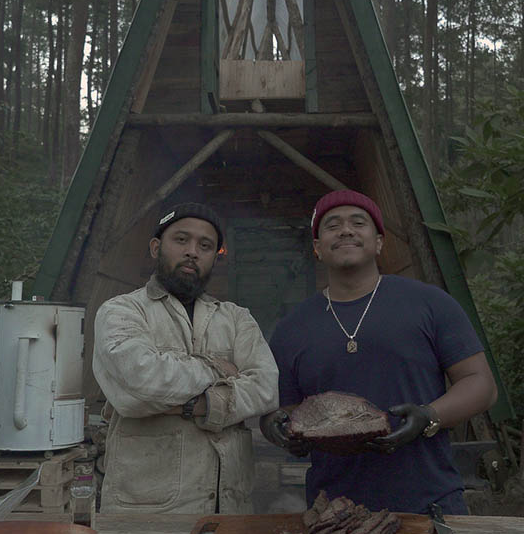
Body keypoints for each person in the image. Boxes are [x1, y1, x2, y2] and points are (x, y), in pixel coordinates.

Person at [262, 190, 498, 515]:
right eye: (332, 225)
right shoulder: (292, 329)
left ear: (379, 243)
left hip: (431, 505)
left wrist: (428, 417)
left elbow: (481, 384)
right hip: (333, 513)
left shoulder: (430, 303)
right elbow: (287, 410)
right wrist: (280, 428)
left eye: (358, 223)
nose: (346, 230)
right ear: (317, 248)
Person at [92, 202, 279, 514]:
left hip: (228, 505)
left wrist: (205, 405)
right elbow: (140, 383)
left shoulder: (236, 318)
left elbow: (265, 388)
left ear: (214, 258)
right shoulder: (121, 311)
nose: (193, 251)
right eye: (181, 240)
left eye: (205, 246)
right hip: (145, 508)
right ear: (156, 247)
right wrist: (218, 368)